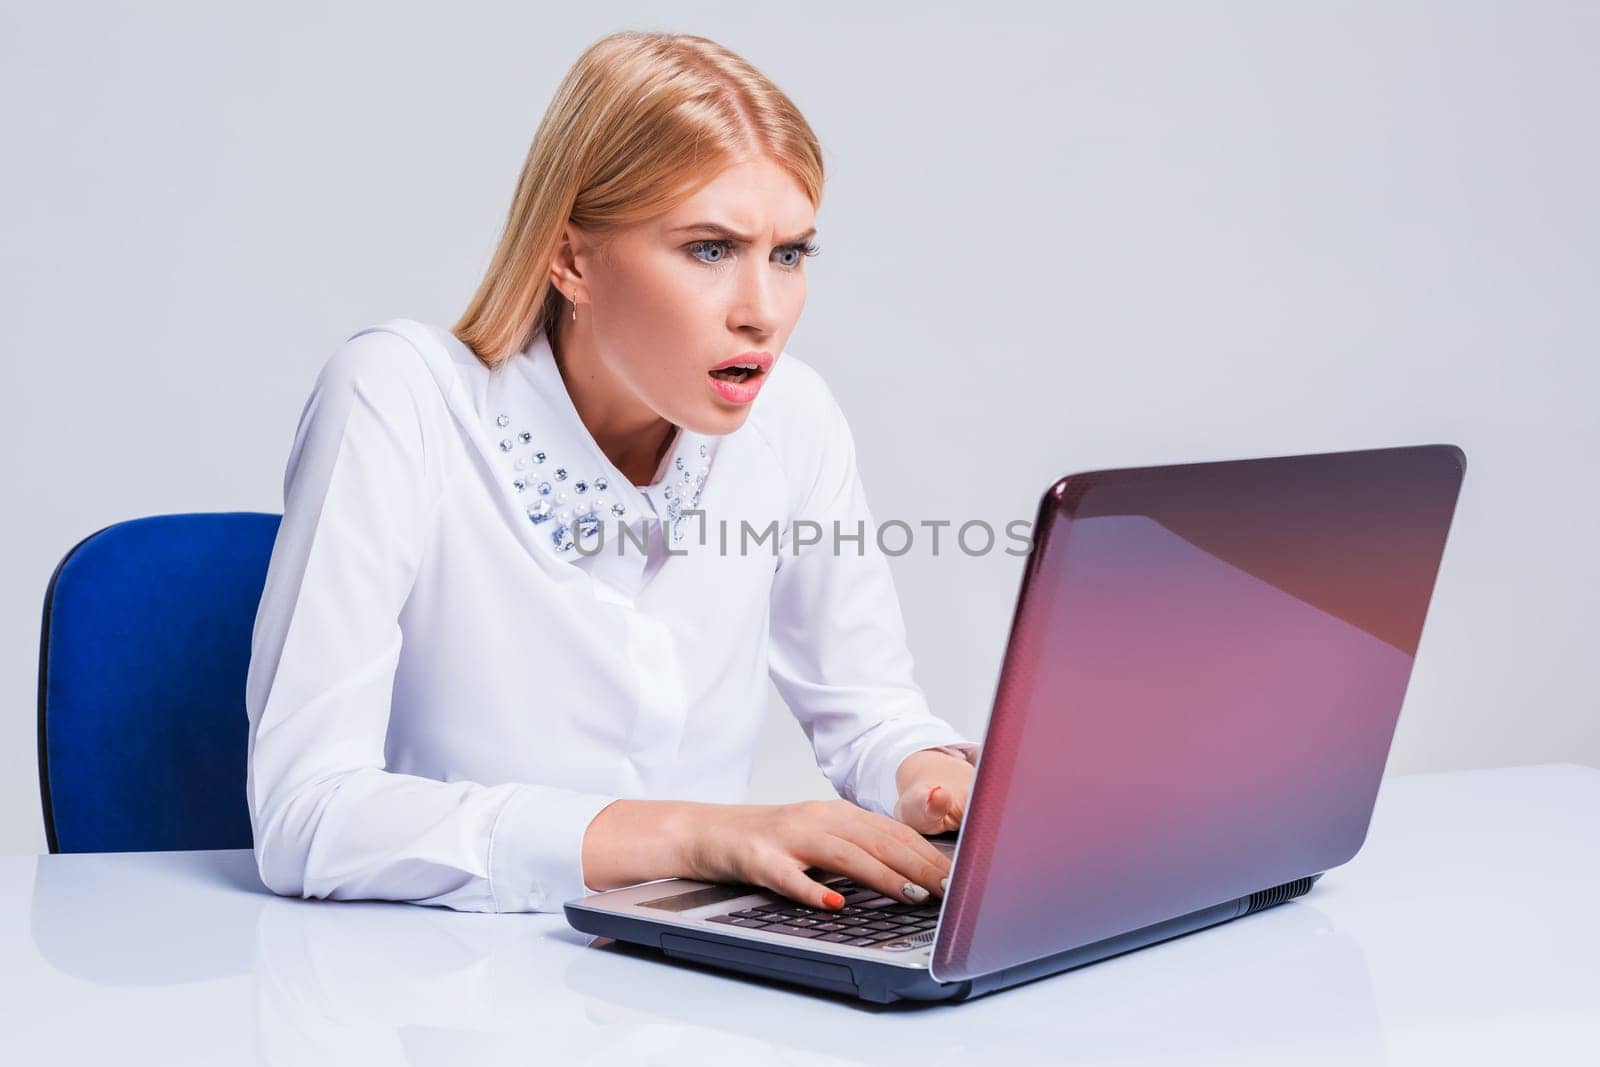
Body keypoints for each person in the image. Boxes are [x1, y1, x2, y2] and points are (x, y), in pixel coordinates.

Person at [244, 30, 981, 917]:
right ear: (571, 259)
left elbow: (869, 711)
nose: (763, 312)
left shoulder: (795, 418)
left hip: (696, 990)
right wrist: (696, 835)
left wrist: (929, 778)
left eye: (789, 255)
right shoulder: (401, 398)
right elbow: (307, 815)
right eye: (711, 249)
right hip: (428, 995)